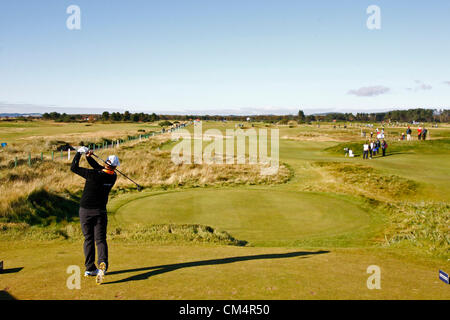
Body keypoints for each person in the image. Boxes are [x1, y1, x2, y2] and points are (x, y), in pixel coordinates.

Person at [70, 147, 119, 284]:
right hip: (100, 212)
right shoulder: (113, 176)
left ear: (106, 163)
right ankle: (102, 263)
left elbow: (74, 168)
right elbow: (99, 167)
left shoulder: (93, 174)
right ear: (115, 167)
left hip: (85, 211)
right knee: (100, 240)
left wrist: (79, 153)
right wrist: (88, 157)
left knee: (88, 239)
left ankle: (90, 268)